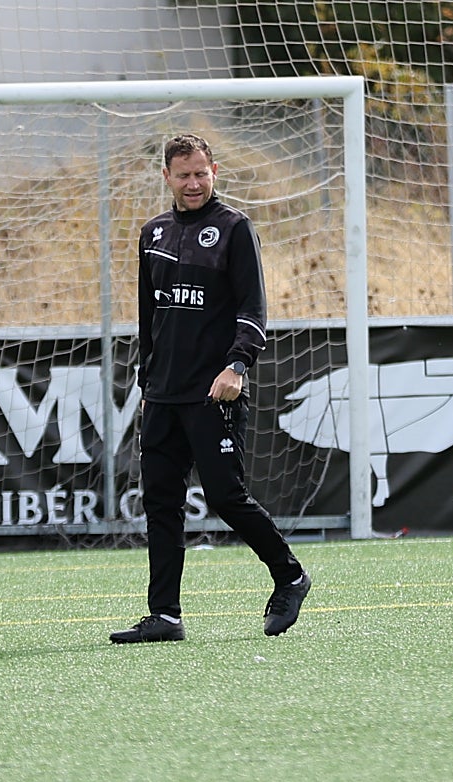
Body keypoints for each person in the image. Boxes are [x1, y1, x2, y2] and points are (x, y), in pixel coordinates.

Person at [110, 134, 311, 644]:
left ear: (214, 171)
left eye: (201, 173)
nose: (193, 183)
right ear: (167, 178)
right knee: (160, 502)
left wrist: (236, 367)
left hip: (215, 391)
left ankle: (290, 576)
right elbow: (148, 315)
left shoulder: (234, 229)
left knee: (226, 495)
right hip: (162, 394)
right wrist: (147, 377)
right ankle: (165, 615)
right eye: (183, 175)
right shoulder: (152, 233)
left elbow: (253, 311)